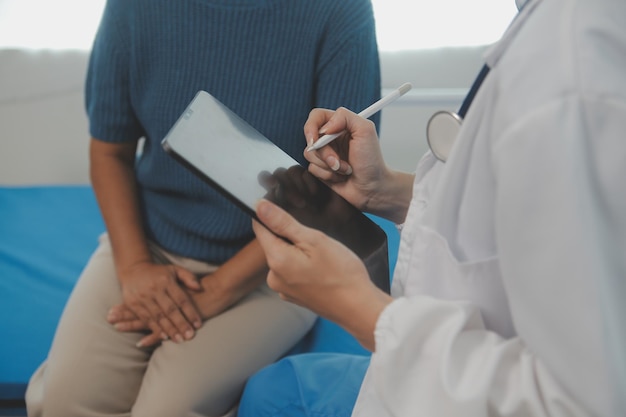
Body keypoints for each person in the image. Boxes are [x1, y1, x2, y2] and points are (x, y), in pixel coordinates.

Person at [239, 0, 626, 415]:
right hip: (439, 356)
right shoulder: (553, 33)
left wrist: (357, 308)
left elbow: (580, 402)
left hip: (447, 382)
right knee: (274, 389)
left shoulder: (569, 70)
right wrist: (384, 192)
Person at [24, 0, 381, 416]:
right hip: (151, 241)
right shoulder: (133, 9)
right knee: (65, 402)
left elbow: (336, 183)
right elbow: (110, 151)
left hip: (280, 262)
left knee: (165, 410)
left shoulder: (338, 10)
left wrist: (220, 288)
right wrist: (135, 266)